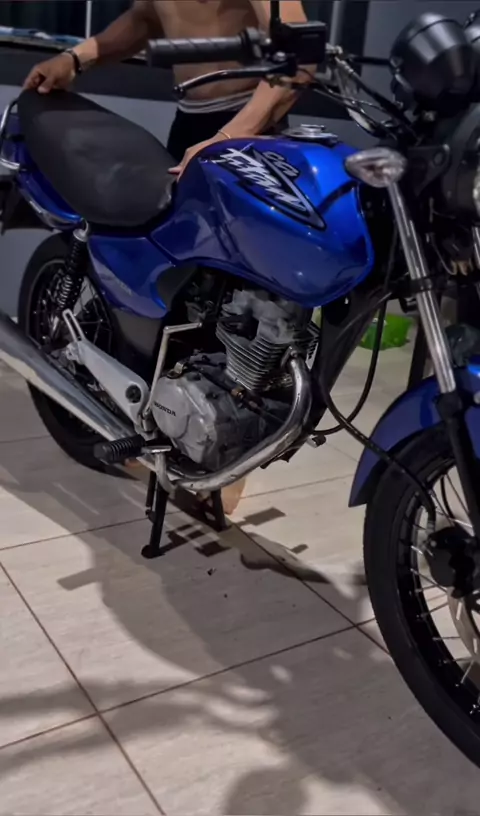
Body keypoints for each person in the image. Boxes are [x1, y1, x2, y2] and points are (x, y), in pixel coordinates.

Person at [23, 0, 312, 177]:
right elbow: (145, 19)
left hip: (247, 126)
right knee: (177, 247)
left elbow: (301, 51)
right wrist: (74, 58)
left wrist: (231, 135)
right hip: (189, 121)